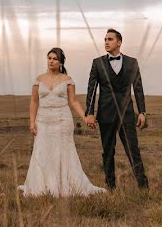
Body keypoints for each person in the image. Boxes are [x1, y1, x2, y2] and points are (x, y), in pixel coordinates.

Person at [19, 47, 105, 197]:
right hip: (43, 121)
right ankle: (41, 186)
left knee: (63, 153)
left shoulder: (67, 80)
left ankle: (65, 185)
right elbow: (33, 102)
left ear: (60, 62)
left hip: (62, 120)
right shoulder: (39, 80)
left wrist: (85, 117)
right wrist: (32, 122)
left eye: (55, 59)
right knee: (42, 152)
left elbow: (73, 101)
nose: (51, 61)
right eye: (49, 58)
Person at [85, 28, 149, 189]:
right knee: (108, 152)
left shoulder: (131, 62)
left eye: (110, 39)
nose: (106, 42)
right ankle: (110, 187)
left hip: (127, 114)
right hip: (106, 114)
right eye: (105, 39)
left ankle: (143, 187)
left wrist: (142, 111)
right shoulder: (97, 63)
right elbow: (91, 89)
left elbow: (138, 88)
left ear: (119, 42)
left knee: (133, 150)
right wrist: (89, 113)